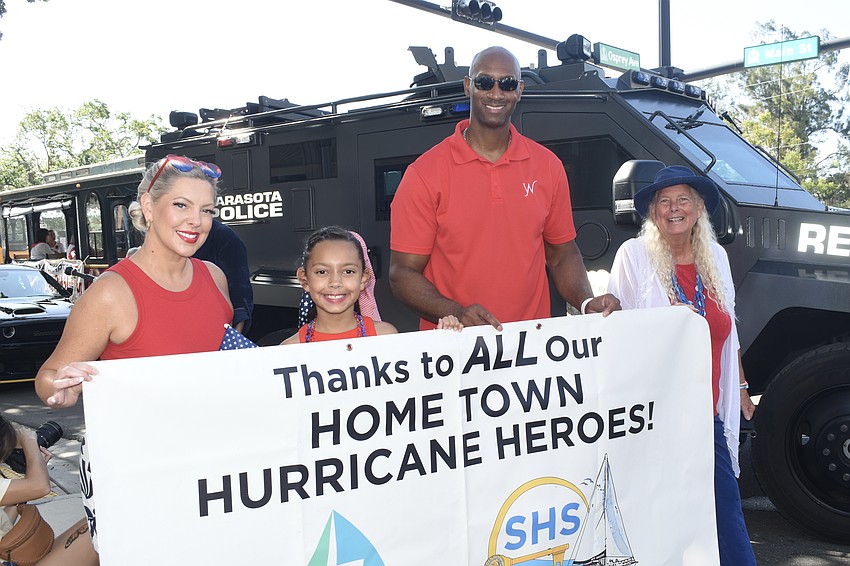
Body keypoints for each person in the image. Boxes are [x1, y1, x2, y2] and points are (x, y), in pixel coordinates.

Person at [33, 154, 234, 565]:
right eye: (181, 205)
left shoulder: (215, 277)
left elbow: (225, 362)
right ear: (147, 206)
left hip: (213, 466)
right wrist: (62, 388)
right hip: (141, 476)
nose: (196, 220)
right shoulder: (113, 292)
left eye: (207, 210)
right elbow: (48, 377)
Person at [389, 46, 619, 331]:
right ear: (467, 86)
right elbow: (402, 273)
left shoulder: (547, 166)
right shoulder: (424, 174)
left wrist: (586, 302)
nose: (496, 93)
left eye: (507, 83)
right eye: (484, 82)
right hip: (454, 348)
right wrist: (456, 312)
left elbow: (562, 254)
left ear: (519, 90)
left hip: (531, 345)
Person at [606, 165, 757, 566]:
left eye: (683, 200)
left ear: (699, 206)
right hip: (654, 416)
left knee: (723, 508)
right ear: (653, 211)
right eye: (664, 201)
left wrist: (741, 388)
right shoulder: (634, 256)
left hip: (705, 413)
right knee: (658, 515)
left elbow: (729, 333)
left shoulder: (717, 258)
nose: (674, 209)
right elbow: (617, 333)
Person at [282, 226, 461, 344]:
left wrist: (444, 344)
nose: (335, 282)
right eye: (322, 272)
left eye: (348, 271)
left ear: (364, 279)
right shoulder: (288, 350)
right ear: (304, 279)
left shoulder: (385, 337)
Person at [194, 219, 254, 333]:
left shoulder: (223, 237)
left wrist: (232, 344)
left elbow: (240, 300)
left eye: (206, 210)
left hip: (212, 333)